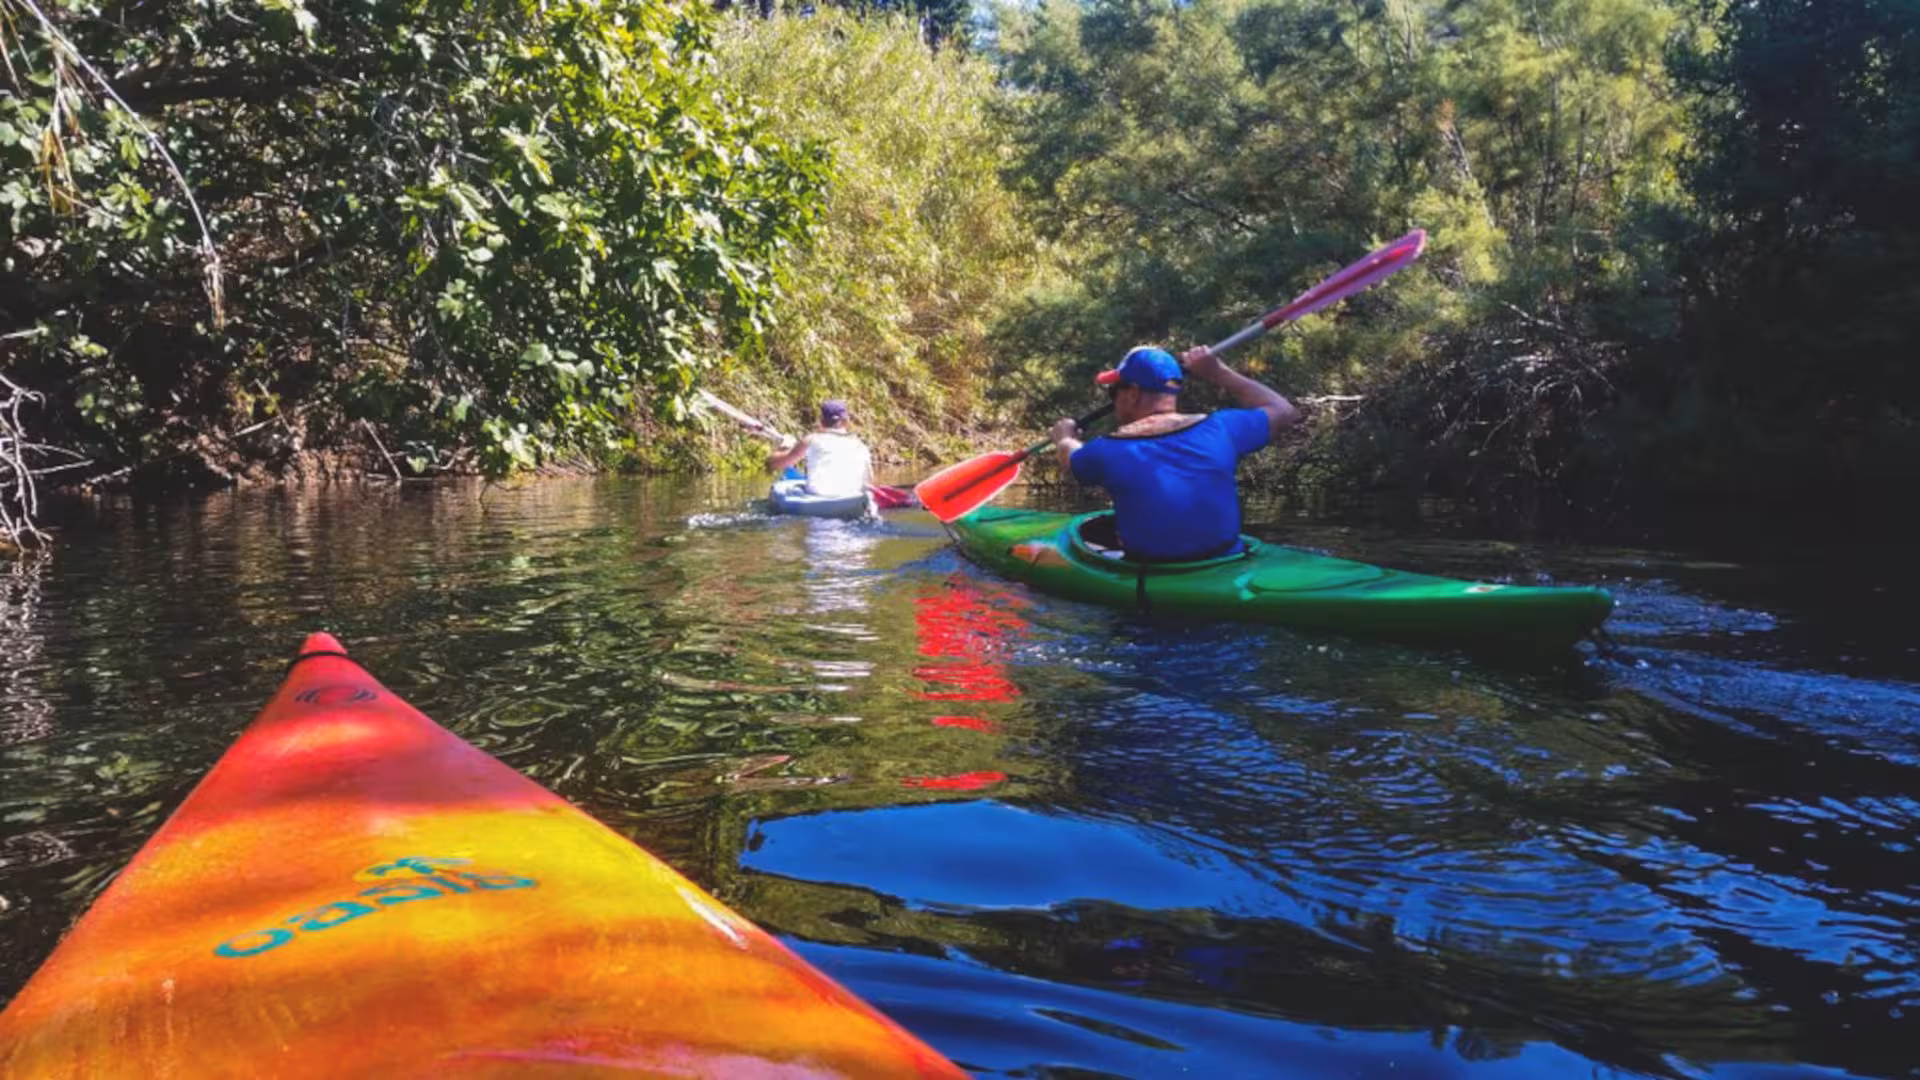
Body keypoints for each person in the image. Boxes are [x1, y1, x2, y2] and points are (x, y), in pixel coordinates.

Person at [1050, 345, 1299, 562]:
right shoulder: (1221, 428)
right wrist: (1218, 372)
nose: (1114, 400)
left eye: (1114, 392)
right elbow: (1284, 410)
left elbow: (1071, 459)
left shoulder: (1107, 450)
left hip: (1153, 579)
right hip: (1227, 561)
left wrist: (1065, 436)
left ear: (1134, 393)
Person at [767, 399, 873, 498]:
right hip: (851, 499)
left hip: (817, 498)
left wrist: (785, 445)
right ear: (846, 421)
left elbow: (774, 463)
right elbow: (868, 480)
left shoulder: (811, 440)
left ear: (821, 421)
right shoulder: (860, 446)